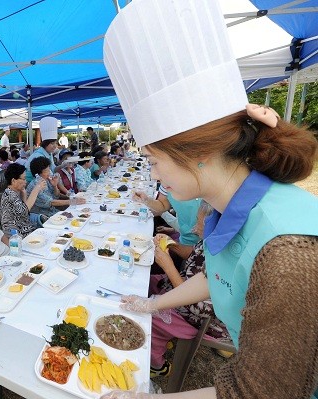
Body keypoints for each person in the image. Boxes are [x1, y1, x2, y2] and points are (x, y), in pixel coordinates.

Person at [101, 1, 318, 398]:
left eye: (153, 160)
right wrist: (152, 305)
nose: (153, 175)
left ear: (194, 151)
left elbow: (256, 392)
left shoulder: (287, 251)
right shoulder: (230, 205)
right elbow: (218, 274)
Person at [149, 201, 230, 378]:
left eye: (199, 225)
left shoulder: (225, 260)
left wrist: (169, 266)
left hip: (200, 320)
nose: (194, 229)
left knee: (150, 319)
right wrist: (172, 244)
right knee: (148, 283)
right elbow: (192, 253)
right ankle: (164, 338)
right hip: (184, 293)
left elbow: (195, 305)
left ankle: (157, 365)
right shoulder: (212, 240)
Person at [0, 163, 48, 237]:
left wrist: (24, 195)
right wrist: (37, 188)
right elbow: (24, 210)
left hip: (24, 229)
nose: (25, 181)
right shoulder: (10, 194)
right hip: (16, 234)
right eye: (23, 179)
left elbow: (24, 214)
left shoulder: (14, 192)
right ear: (13, 181)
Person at [25, 116, 59, 183]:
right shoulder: (38, 156)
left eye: (56, 143)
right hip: (32, 184)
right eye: (52, 143)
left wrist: (64, 165)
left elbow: (53, 169)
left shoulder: (49, 153)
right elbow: (48, 175)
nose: (55, 146)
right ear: (45, 144)